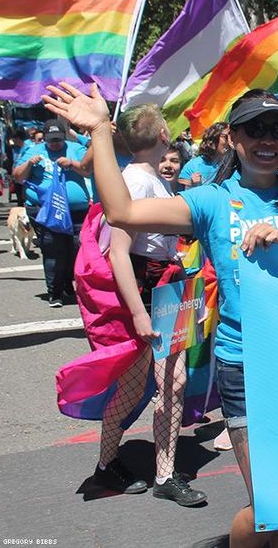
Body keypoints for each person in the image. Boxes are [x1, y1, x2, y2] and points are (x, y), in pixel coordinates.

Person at [43, 82, 278, 548]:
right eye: (254, 129)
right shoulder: (209, 200)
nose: (267, 139)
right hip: (245, 363)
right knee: (273, 500)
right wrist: (102, 132)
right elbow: (121, 212)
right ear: (233, 139)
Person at [89, 103, 207, 506]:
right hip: (146, 290)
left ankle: (165, 473)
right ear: (161, 136)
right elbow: (119, 253)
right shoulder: (135, 182)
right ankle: (106, 464)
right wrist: (139, 313)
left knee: (173, 382)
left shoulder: (153, 178)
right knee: (134, 385)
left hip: (169, 286)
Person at [12, 119, 92, 307]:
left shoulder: (75, 150)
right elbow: (17, 177)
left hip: (76, 211)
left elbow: (88, 171)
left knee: (76, 249)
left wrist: (72, 164)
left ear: (64, 136)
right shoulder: (33, 151)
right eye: (51, 140)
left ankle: (68, 283)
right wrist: (29, 164)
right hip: (46, 211)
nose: (54, 143)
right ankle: (54, 292)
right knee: (53, 250)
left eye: (58, 139)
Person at [179, 122, 228, 189]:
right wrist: (192, 185)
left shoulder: (232, 166)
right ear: (213, 138)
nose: (230, 141)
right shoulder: (193, 166)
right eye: (226, 137)